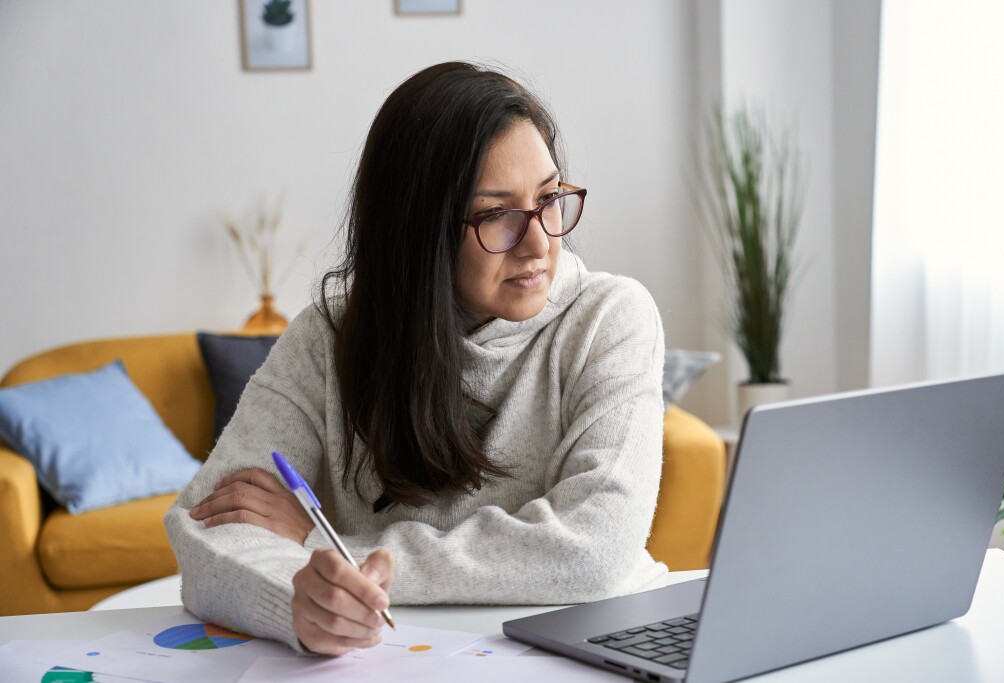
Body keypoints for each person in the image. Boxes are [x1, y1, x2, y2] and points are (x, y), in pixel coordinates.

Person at [165, 61, 667, 656]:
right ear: (417, 230)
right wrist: (297, 603)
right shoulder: (328, 338)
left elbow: (594, 549)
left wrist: (332, 549)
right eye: (495, 214)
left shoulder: (610, 318)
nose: (541, 243)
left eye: (550, 198)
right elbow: (206, 529)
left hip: (586, 655)